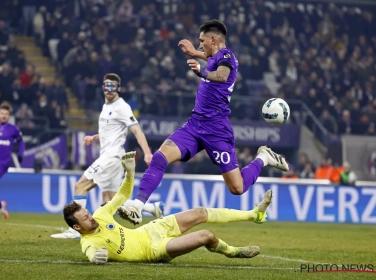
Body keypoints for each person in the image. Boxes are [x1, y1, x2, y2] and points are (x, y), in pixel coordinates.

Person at [118, 19, 288, 225]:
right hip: (195, 124)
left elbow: (222, 75)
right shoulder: (216, 56)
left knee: (237, 188)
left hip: (217, 129)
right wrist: (195, 54)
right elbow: (210, 57)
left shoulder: (227, 57)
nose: (199, 44)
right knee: (160, 157)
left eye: (201, 41)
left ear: (213, 39)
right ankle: (137, 206)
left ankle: (263, 157)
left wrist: (202, 72)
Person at [63, 152, 273, 264]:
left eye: (87, 213)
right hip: (153, 250)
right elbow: (90, 252)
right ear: (77, 228)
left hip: (150, 230)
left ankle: (254, 214)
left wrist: (129, 174)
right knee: (206, 236)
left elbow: (123, 195)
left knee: (200, 212)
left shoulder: (100, 215)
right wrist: (95, 258)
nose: (91, 217)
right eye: (85, 218)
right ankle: (235, 252)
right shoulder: (88, 242)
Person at [51, 73, 163, 239]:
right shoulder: (106, 107)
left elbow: (137, 130)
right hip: (112, 157)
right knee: (111, 202)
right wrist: (95, 137)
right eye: (106, 86)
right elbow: (111, 130)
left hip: (112, 157)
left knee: (80, 186)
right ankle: (152, 208)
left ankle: (76, 230)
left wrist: (147, 153)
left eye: (113, 87)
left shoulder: (122, 107)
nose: (109, 90)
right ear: (103, 88)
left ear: (118, 88)